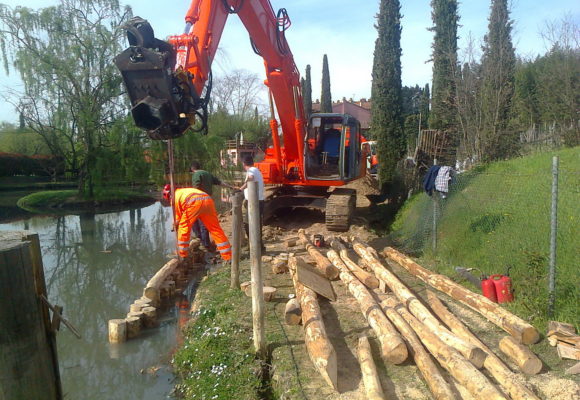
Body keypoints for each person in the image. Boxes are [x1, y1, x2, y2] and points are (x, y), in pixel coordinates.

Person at [162, 185, 232, 262]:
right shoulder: (183, 191)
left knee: (183, 227)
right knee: (215, 229)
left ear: (168, 196)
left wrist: (175, 224)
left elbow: (178, 217)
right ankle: (228, 256)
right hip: (207, 200)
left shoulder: (174, 198)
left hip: (194, 203)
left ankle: (182, 253)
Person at [190, 160, 233, 251]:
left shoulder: (196, 175)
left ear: (192, 169)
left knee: (195, 221)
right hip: (208, 201)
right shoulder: (207, 173)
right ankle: (206, 243)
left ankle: (201, 242)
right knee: (204, 222)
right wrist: (230, 186)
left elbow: (196, 188)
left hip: (199, 201)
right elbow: (219, 182)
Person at [238, 155, 265, 251]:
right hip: (258, 200)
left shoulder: (251, 170)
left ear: (244, 164)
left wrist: (241, 188)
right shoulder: (256, 170)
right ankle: (258, 246)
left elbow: (250, 177)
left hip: (254, 202)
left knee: (248, 224)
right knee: (256, 224)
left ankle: (255, 247)